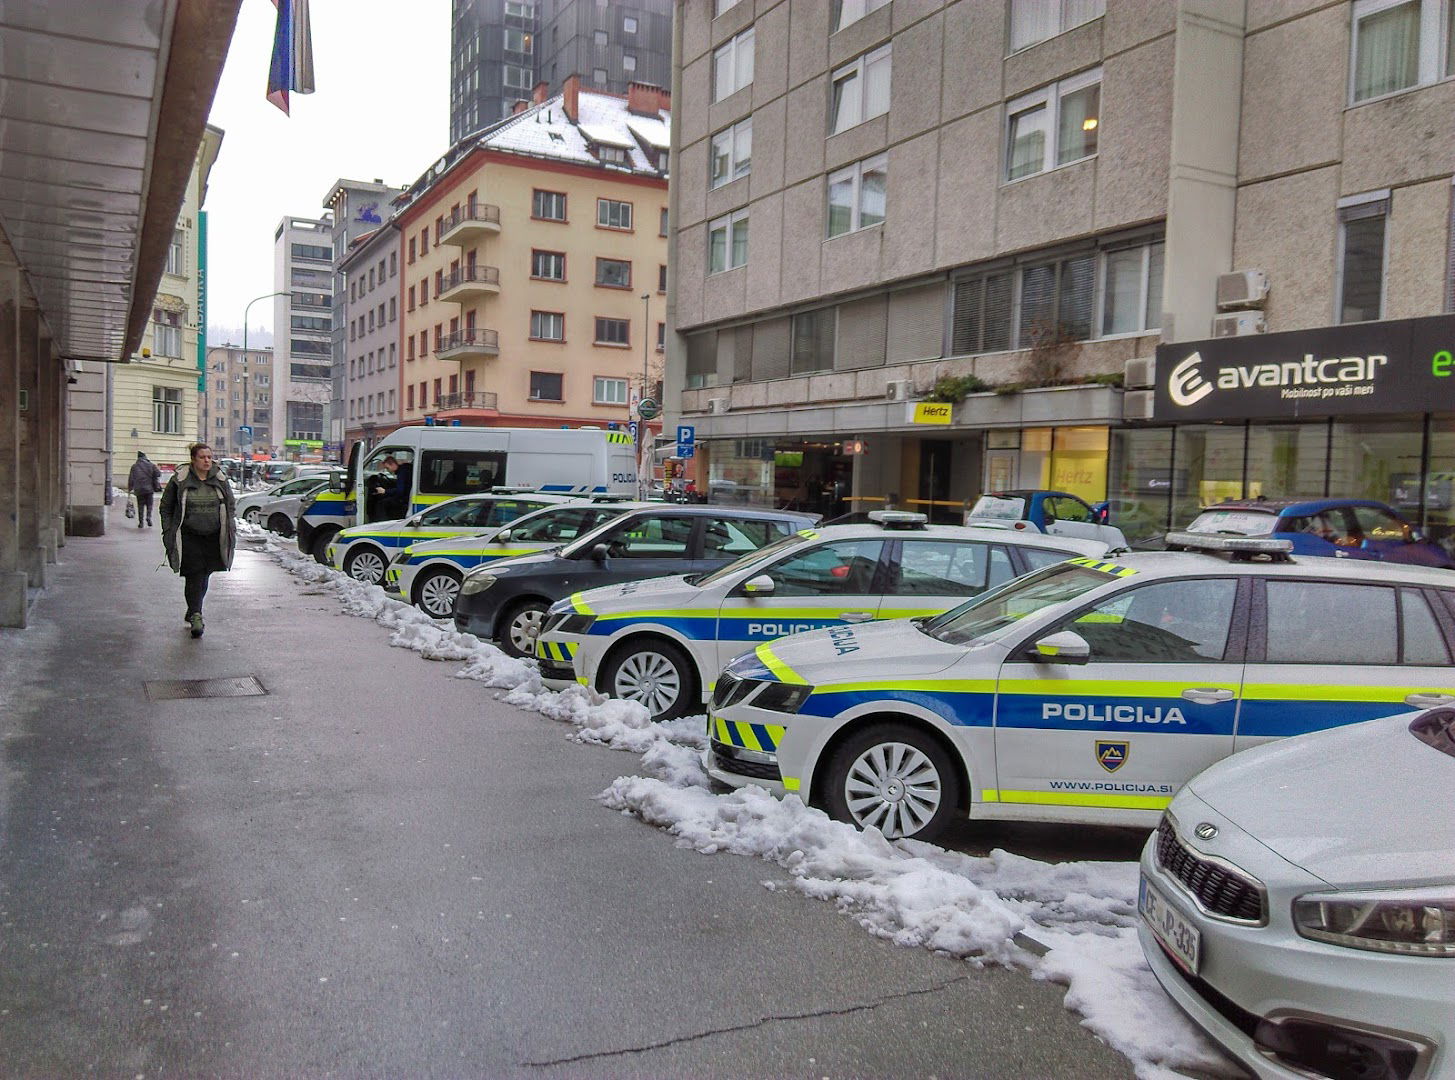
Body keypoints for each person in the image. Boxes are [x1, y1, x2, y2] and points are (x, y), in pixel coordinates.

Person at [160, 442, 237, 638]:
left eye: (209, 457)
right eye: (202, 457)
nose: (206, 461)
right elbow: (166, 507)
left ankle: (193, 607)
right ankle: (196, 615)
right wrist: (168, 529)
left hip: (213, 536)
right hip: (188, 535)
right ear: (193, 459)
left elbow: (230, 504)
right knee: (194, 574)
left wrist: (229, 526)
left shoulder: (219, 479)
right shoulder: (180, 480)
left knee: (205, 574)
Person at [126, 451, 163, 528]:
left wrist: (130, 489)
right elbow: (158, 474)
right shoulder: (151, 465)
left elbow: (131, 479)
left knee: (140, 506)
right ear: (145, 457)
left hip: (139, 490)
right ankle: (148, 517)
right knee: (149, 505)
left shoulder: (134, 466)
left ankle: (141, 522)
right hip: (149, 489)